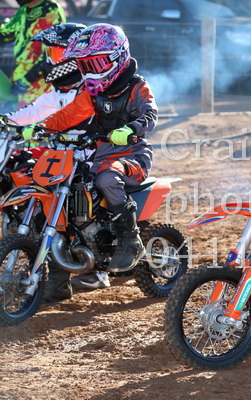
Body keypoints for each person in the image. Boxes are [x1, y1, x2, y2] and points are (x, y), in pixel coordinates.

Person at [23, 23, 157, 303]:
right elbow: (68, 115)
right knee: (63, 192)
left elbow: (150, 115)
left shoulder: (136, 86)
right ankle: (59, 279)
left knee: (107, 178)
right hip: (99, 155)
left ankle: (130, 238)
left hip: (132, 156)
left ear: (117, 57)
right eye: (85, 66)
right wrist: (40, 128)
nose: (91, 72)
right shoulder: (92, 93)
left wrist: (131, 129)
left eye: (95, 64)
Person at [5, 22, 112, 293]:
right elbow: (31, 112)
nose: (52, 60)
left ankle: (100, 268)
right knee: (43, 199)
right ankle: (56, 272)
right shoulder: (59, 91)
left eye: (58, 53)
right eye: (51, 54)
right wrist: (5, 121)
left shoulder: (93, 87)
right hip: (63, 157)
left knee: (84, 203)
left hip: (94, 154)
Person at [0, 0, 66, 108]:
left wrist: (28, 79)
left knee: (30, 116)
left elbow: (51, 51)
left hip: (40, 82)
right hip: (19, 77)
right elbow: (7, 33)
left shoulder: (50, 9)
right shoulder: (23, 9)